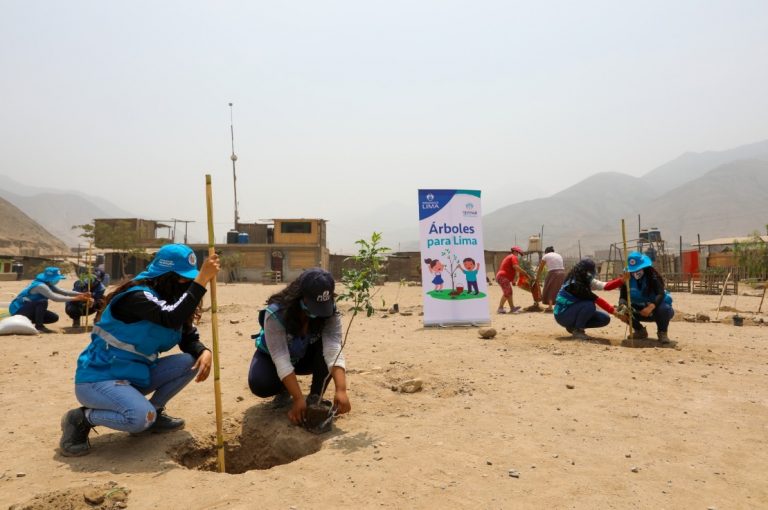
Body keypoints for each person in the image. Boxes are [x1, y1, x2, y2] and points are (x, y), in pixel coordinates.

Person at [59, 244, 219, 457]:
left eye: (188, 279)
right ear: (165, 275)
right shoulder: (137, 297)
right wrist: (201, 281)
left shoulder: (172, 300)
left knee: (189, 361)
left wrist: (203, 351)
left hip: (134, 377)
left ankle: (155, 413)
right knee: (140, 417)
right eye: (182, 278)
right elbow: (169, 317)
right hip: (98, 380)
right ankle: (81, 418)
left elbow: (187, 337)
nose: (185, 283)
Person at [248, 268, 351, 426]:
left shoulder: (330, 312)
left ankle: (315, 396)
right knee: (260, 384)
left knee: (326, 350)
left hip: (305, 356)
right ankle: (284, 389)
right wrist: (297, 398)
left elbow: (333, 348)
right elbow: (280, 358)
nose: (317, 313)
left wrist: (341, 389)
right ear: (300, 296)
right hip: (274, 358)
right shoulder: (276, 313)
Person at [554, 259, 625, 339]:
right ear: (585, 271)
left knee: (604, 318)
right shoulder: (574, 284)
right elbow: (596, 299)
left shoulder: (585, 279)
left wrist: (622, 280)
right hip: (562, 314)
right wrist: (615, 313)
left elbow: (605, 286)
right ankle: (578, 330)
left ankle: (573, 327)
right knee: (589, 305)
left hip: (572, 311)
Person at [10, 266, 92, 333]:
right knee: (42, 302)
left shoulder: (47, 283)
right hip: (18, 309)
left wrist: (81, 294)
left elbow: (62, 291)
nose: (58, 280)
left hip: (28, 309)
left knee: (53, 317)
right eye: (56, 278)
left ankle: (28, 323)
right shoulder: (41, 286)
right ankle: (39, 326)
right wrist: (76, 298)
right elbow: (55, 298)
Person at [620, 251, 675, 343]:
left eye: (638, 269)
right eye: (633, 270)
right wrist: (621, 307)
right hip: (638, 310)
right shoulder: (627, 279)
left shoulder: (653, 277)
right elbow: (622, 297)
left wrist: (650, 307)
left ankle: (662, 333)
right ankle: (640, 331)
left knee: (664, 309)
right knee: (621, 310)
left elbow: (660, 294)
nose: (635, 272)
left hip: (654, 309)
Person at [495, 246, 526, 314]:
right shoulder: (513, 257)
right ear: (515, 251)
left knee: (509, 292)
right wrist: (524, 272)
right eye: (518, 253)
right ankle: (500, 308)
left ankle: (512, 308)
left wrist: (513, 281)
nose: (518, 255)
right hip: (503, 277)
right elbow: (515, 267)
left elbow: (512, 270)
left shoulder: (510, 257)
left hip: (502, 276)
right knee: (507, 292)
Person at [535, 246, 566, 313]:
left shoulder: (546, 256)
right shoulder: (558, 255)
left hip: (553, 273)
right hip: (562, 273)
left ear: (546, 252)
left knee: (549, 288)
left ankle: (550, 307)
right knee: (559, 289)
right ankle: (561, 306)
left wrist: (537, 277)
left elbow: (541, 267)